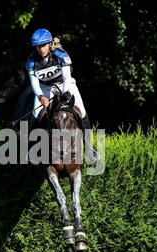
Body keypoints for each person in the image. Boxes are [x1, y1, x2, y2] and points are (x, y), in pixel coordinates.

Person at [26, 28, 99, 163]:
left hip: (65, 85)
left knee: (81, 112)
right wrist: (41, 96)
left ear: (49, 44)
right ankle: (30, 148)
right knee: (35, 115)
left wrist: (65, 96)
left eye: (43, 45)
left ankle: (89, 149)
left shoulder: (60, 55)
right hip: (45, 87)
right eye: (38, 46)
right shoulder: (31, 62)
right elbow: (34, 84)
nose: (41, 49)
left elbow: (66, 78)